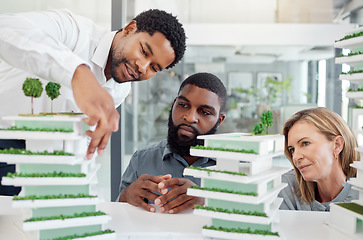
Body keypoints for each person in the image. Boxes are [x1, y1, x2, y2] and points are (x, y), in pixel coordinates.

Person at [0, 8, 186, 195]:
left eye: (154, 67)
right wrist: (78, 72)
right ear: (129, 29)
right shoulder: (73, 31)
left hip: (41, 167)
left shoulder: (121, 88)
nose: (142, 67)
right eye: (144, 51)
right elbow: (6, 27)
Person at [118, 72, 226, 214]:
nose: (189, 117)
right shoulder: (141, 159)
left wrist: (207, 201)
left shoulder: (236, 166)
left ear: (219, 121)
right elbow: (118, 216)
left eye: (205, 112)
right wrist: (126, 196)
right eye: (183, 105)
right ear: (174, 103)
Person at [278, 107, 360, 211]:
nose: (296, 157)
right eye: (292, 149)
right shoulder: (287, 187)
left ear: (337, 145)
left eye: (305, 143)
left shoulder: (359, 193)